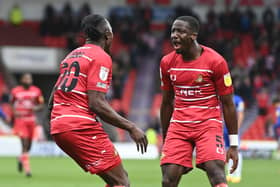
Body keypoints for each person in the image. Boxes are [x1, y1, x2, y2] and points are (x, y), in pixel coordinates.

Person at [48, 14, 148, 187]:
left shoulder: (71, 56)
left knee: (116, 178)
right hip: (80, 126)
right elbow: (96, 103)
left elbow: (52, 99)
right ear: (108, 35)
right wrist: (131, 127)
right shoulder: (100, 56)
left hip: (59, 126)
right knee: (122, 182)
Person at [159, 16, 239, 187]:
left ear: (193, 35)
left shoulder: (216, 62)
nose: (174, 35)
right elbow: (166, 103)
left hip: (208, 124)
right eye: (173, 31)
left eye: (180, 31)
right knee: (168, 179)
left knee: (216, 172)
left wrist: (233, 145)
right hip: (179, 125)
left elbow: (228, 104)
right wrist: (166, 138)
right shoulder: (167, 63)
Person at [11, 73, 44, 177]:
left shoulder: (36, 91)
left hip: (31, 119)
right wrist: (14, 112)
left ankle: (21, 158)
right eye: (26, 78)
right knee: (24, 143)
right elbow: (11, 103)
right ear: (22, 80)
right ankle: (27, 170)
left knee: (29, 146)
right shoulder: (15, 91)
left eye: (29, 78)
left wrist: (36, 108)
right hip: (21, 120)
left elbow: (41, 104)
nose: (28, 80)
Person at [224, 94, 245, 183]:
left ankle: (237, 174)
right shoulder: (222, 97)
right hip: (224, 129)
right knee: (225, 151)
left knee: (236, 150)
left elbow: (240, 114)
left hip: (233, 129)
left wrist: (236, 128)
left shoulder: (238, 99)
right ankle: (229, 174)